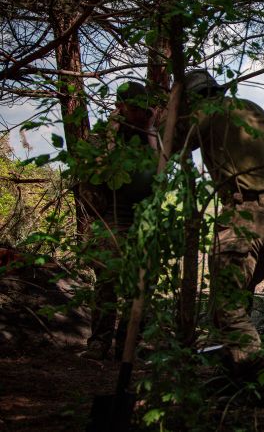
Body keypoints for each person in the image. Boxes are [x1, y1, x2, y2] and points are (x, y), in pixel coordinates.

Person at [182, 69, 264, 373]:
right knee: (241, 297)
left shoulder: (210, 113)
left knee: (226, 305)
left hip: (244, 214)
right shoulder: (252, 109)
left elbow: (175, 142)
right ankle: (234, 373)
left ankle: (258, 371)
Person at [82, 82, 158, 360]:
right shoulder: (101, 138)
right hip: (111, 216)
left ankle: (128, 343)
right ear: (121, 107)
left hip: (143, 217)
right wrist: (113, 137)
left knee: (142, 281)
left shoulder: (151, 137)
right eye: (134, 108)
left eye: (144, 109)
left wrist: (150, 132)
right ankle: (99, 342)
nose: (140, 114)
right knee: (107, 279)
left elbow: (162, 173)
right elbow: (97, 175)